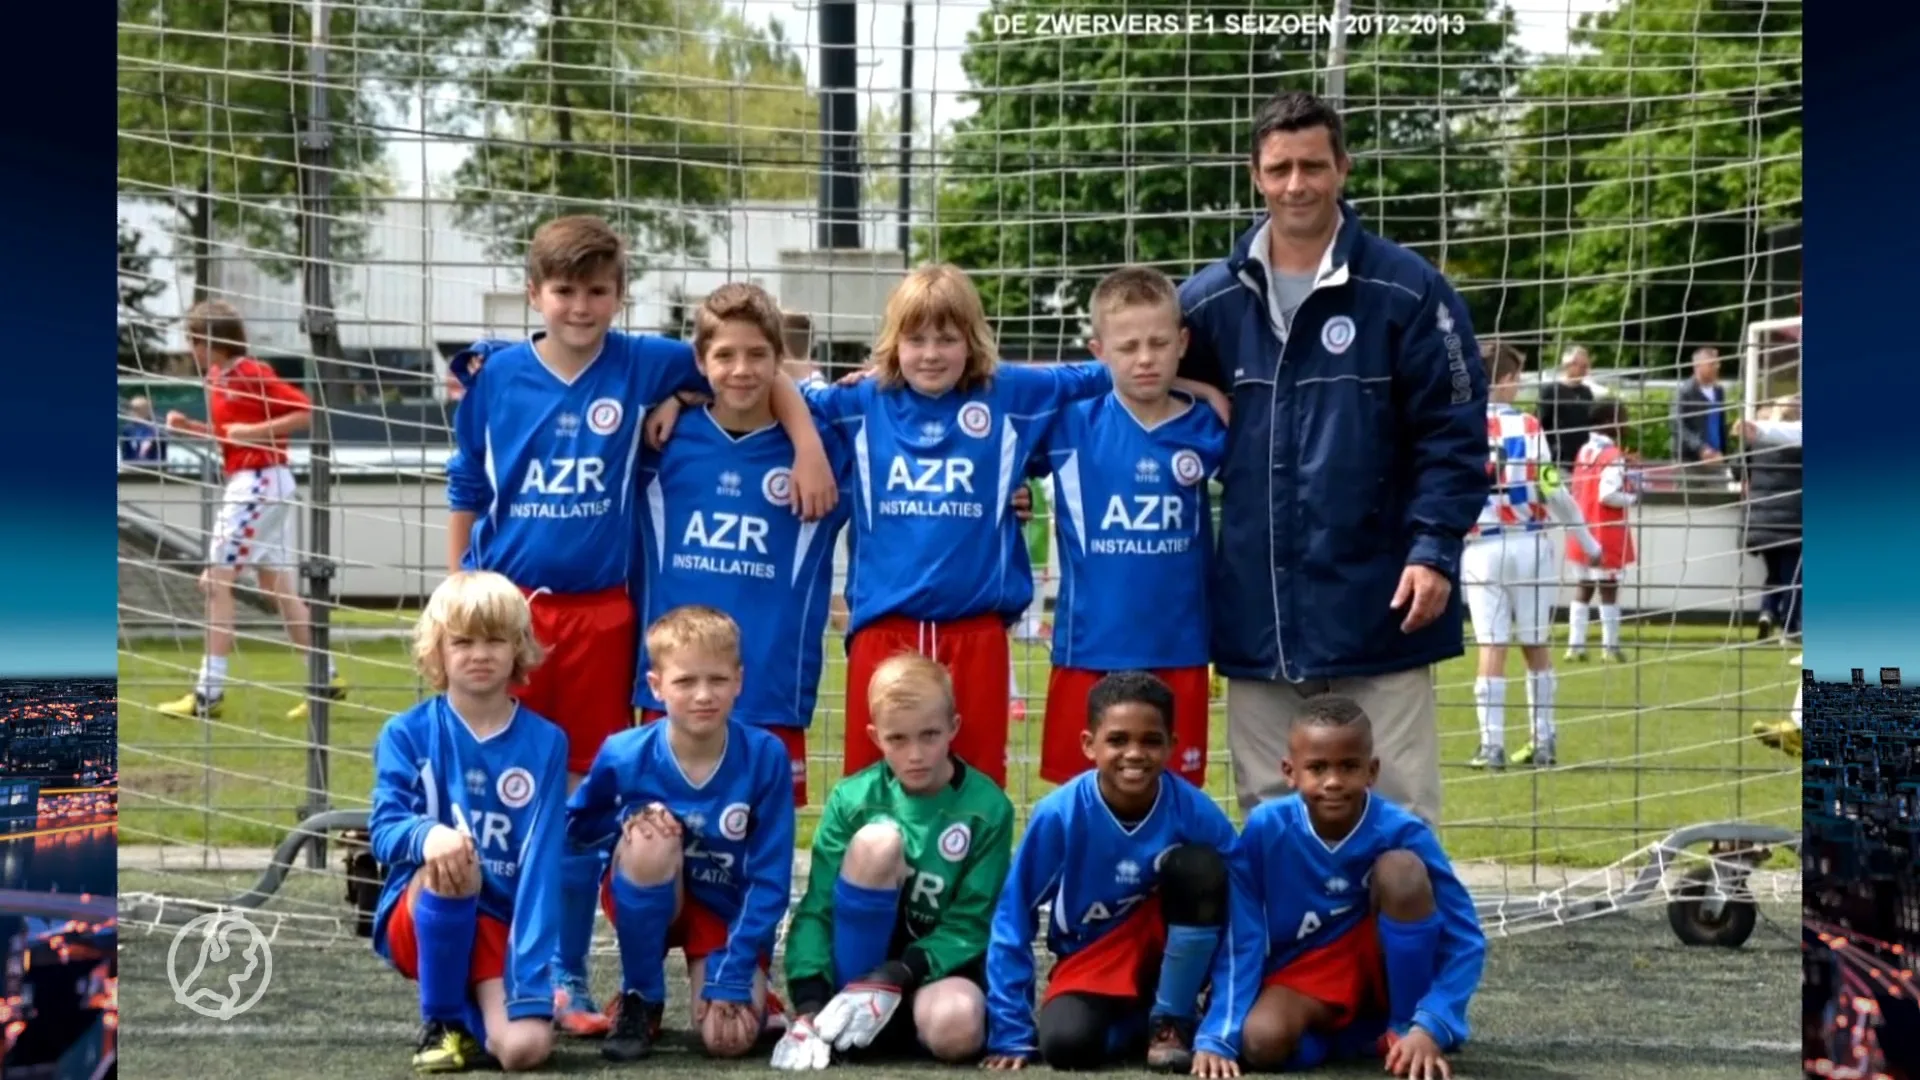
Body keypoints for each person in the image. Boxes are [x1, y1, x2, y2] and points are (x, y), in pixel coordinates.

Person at [443, 214, 834, 1033]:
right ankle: (480, 975)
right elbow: (465, 489)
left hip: (602, 614)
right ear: (534, 294)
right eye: (564, 291)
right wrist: (457, 592)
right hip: (506, 612)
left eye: (597, 292)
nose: (581, 307)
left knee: (583, 794)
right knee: (497, 794)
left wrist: (805, 445)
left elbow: (753, 368)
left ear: (620, 297)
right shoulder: (497, 374)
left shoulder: (646, 362)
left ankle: (569, 975)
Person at [757, 263, 1223, 787]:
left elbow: (1118, 363)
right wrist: (805, 445)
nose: (931, 353)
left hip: (976, 631)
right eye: (916, 339)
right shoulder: (860, 401)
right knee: (874, 794)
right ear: (893, 342)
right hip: (883, 632)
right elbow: (768, 374)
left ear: (972, 339)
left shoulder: (1012, 394)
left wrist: (1201, 392)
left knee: (977, 791)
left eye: (947, 338)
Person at [1175, 89, 1490, 826]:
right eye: (1279, 168)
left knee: (1399, 815)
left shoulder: (1410, 291)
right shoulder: (1207, 303)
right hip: (1259, 618)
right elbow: (1124, 381)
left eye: (1312, 166)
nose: (1296, 184)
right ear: (1255, 175)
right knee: (1270, 818)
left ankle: (1403, 946)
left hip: (1383, 609)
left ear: (1343, 169)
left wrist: (1435, 549)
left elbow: (1456, 434)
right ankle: (1289, 948)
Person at [627, 283, 853, 808]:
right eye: (724, 355)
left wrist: (1013, 493)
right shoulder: (660, 441)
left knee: (759, 852)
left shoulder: (822, 452)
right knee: (655, 841)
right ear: (701, 364)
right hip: (671, 690)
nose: (742, 369)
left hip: (770, 691)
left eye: (758, 355)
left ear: (780, 361)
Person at [1194, 695, 1485, 1080]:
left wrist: (1431, 1024)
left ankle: (1404, 1030)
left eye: (1349, 766)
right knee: (1262, 1042)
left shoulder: (1403, 830)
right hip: (1304, 972)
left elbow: (1465, 937)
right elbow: (1242, 930)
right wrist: (1219, 1032)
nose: (1333, 781)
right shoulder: (1266, 828)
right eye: (1317, 767)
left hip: (1381, 970)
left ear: (1372, 770)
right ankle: (1347, 1041)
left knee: (1402, 872)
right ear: (1289, 771)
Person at [566, 605, 797, 1062]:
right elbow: (576, 833)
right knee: (649, 843)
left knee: (725, 1041)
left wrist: (735, 971)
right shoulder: (623, 754)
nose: (703, 695)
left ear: (739, 681)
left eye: (717, 679)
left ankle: (749, 986)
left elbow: (770, 878)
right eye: (685, 682)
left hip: (723, 913)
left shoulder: (765, 756)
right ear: (656, 687)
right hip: (650, 889)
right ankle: (640, 996)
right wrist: (625, 823)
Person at [1030, 266, 1228, 789]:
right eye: (1128, 346)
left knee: (1174, 799)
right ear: (1098, 352)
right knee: (1079, 800)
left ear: (1182, 342)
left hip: (1180, 651)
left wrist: (1206, 394)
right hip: (1089, 650)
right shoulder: (1067, 424)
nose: (1145, 358)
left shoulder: (1210, 427)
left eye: (1159, 343)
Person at [981, 671, 1239, 1073]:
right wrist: (1010, 1029)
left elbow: (1244, 920)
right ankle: (1141, 1028)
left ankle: (1172, 1017)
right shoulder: (1059, 815)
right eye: (1118, 740)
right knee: (1066, 1047)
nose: (1134, 754)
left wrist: (1222, 1027)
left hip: (1167, 954)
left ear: (1171, 745)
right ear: (1089, 744)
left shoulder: (1197, 813)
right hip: (1091, 959)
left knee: (1199, 867)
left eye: (1150, 741)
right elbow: (1013, 914)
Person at [771, 653, 1015, 1069]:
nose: (916, 754)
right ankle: (847, 1016)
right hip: (854, 973)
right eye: (897, 739)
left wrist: (901, 972)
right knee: (877, 843)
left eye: (930, 735)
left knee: (958, 1029)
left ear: (953, 728)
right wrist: (810, 1002)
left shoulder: (989, 808)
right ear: (875, 736)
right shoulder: (852, 799)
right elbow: (817, 909)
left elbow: (973, 923)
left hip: (930, 974)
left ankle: (895, 1027)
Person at [367, 571, 566, 1074]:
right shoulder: (406, 733)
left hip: (500, 926)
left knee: (525, 1050)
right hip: (421, 913)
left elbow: (542, 867)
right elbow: (385, 828)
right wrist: (428, 835)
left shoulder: (546, 743)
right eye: (463, 641)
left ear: (518, 647)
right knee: (455, 854)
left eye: (495, 640)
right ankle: (441, 1020)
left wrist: (532, 974)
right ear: (437, 650)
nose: (480, 653)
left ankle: (472, 1013)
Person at [156, 300, 344, 723]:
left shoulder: (250, 372)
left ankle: (209, 693)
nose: (191, 349)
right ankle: (324, 679)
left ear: (213, 341)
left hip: (260, 481)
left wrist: (255, 431)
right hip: (255, 481)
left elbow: (306, 410)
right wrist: (192, 429)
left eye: (194, 340)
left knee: (215, 581)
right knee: (278, 589)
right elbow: (231, 435)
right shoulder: (219, 377)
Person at [1463, 342, 1601, 771]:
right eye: (1516, 377)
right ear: (1503, 381)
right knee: (1535, 642)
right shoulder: (1527, 425)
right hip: (1530, 541)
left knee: (1491, 643)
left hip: (1482, 545)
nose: (1519, 385)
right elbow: (1552, 487)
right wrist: (1587, 540)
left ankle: (1492, 746)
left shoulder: (1459, 425)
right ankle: (1543, 741)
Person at [1565, 398, 1640, 663]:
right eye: (1623, 417)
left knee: (1583, 586)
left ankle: (1575, 646)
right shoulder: (1612, 455)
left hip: (1581, 528)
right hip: (1604, 530)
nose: (1626, 423)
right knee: (1608, 588)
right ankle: (1610, 646)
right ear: (1610, 422)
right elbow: (1607, 494)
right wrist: (1632, 496)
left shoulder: (1585, 449)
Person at [1738, 397, 1803, 648]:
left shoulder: (1758, 444)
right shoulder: (1798, 445)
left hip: (1760, 521)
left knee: (1774, 572)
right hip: (1792, 520)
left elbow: (1739, 472)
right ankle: (1790, 627)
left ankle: (1767, 611)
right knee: (1793, 576)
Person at [1534, 346, 1598, 467]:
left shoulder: (1586, 392)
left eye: (1587, 366)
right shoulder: (1550, 391)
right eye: (1582, 366)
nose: (1586, 371)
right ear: (1568, 365)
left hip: (1581, 458)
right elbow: (1540, 424)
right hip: (1558, 459)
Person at [1671, 346, 1730, 466]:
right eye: (1712, 364)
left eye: (1717, 364)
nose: (1717, 367)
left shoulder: (1719, 391)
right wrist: (1700, 448)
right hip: (1690, 460)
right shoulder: (1685, 392)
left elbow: (1720, 423)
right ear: (1697, 366)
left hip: (1716, 457)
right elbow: (1677, 424)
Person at [121, 395, 165, 463]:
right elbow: (125, 453)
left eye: (137, 409)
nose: (132, 412)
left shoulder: (158, 429)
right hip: (132, 467)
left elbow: (162, 454)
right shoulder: (127, 430)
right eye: (131, 409)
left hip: (153, 467)